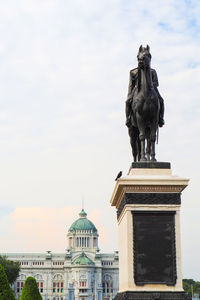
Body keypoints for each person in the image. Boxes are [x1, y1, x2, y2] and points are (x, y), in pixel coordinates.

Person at [125, 57, 165, 128]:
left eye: (143, 60)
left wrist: (149, 84)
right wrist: (129, 95)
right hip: (137, 89)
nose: (141, 61)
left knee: (161, 100)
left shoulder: (152, 71)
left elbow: (156, 83)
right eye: (139, 60)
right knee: (127, 101)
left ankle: (161, 118)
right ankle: (128, 118)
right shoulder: (133, 72)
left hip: (152, 89)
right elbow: (131, 85)